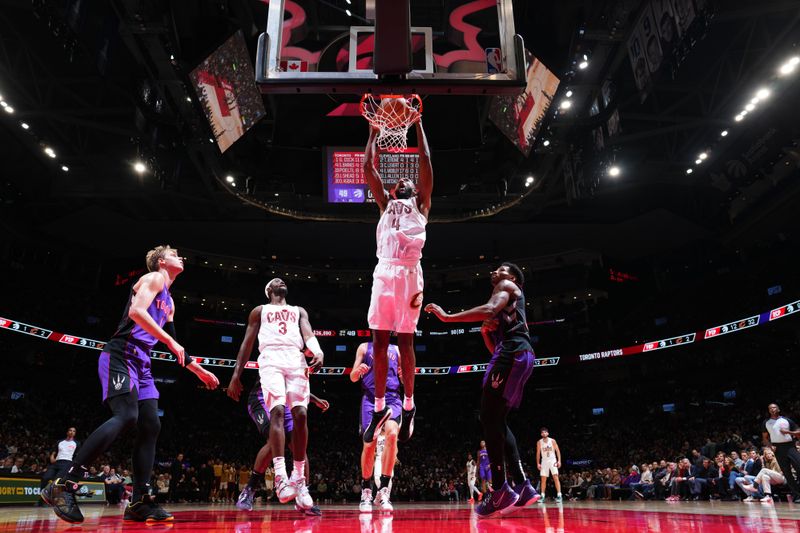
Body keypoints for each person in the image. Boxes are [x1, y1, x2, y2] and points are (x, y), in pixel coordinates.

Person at [41, 245, 219, 524]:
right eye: (174, 253)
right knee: (126, 415)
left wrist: (196, 369)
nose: (181, 256)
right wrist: (171, 341)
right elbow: (137, 312)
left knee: (151, 424)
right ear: (161, 261)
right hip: (121, 353)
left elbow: (174, 343)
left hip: (142, 362)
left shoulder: (170, 302)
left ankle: (138, 501)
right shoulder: (154, 278)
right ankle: (64, 483)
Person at [425, 262, 541, 517]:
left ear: (511, 277)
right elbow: (494, 350)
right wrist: (485, 333)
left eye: (501, 268)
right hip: (516, 355)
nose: (495, 272)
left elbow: (489, 308)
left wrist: (448, 317)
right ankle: (523, 485)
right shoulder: (508, 308)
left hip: (513, 353)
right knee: (496, 418)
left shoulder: (506, 286)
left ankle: (500, 490)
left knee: (488, 417)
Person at [361, 113, 433, 444]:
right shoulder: (385, 204)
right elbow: (368, 169)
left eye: (410, 182)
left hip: (409, 274)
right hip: (384, 270)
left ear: (415, 189)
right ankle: (378, 408)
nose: (404, 182)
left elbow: (425, 159)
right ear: (393, 188)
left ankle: (410, 403)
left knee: (405, 340)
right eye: (399, 182)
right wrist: (374, 133)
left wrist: (417, 123)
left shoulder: (421, 203)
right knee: (378, 341)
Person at [227, 278, 324, 510]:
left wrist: (318, 351)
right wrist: (235, 375)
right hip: (265, 377)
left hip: (295, 359)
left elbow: (308, 332)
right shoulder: (260, 311)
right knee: (277, 435)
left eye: (282, 280)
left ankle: (301, 487)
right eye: (274, 281)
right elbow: (246, 345)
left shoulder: (298, 310)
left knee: (300, 420)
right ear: (268, 290)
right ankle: (264, 483)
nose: (280, 280)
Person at [227, 374, 329, 516]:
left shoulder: (303, 359)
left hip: (285, 400)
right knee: (274, 441)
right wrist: (236, 376)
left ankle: (303, 495)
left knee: (298, 444)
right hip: (262, 396)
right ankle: (248, 491)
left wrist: (315, 399)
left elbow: (295, 386)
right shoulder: (275, 353)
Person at [351, 342, 401, 512]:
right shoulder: (364, 348)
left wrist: (403, 375)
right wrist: (357, 372)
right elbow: (352, 376)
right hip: (370, 399)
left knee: (392, 435)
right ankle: (366, 491)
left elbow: (406, 374)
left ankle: (384, 492)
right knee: (369, 444)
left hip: (392, 398)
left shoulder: (397, 350)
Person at [762, 403, 800, 502]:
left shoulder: (786, 420)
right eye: (770, 408)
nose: (772, 409)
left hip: (790, 446)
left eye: (774, 407)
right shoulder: (766, 422)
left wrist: (788, 432)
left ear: (778, 409)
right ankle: (797, 496)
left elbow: (798, 432)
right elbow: (765, 438)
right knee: (787, 473)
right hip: (777, 448)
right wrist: (770, 446)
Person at [40, 427, 78, 495]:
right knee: (45, 478)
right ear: (67, 432)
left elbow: (77, 455)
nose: (72, 432)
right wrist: (52, 456)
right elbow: (54, 451)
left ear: (75, 434)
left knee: (56, 481)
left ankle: (52, 499)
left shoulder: (76, 443)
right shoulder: (60, 442)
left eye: (74, 431)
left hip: (67, 463)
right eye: (70, 430)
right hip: (56, 463)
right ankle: (42, 497)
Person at [536, 428, 562, 502]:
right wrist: (538, 463)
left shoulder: (552, 441)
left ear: (548, 433)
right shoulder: (539, 442)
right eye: (542, 433)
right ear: (541, 434)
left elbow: (558, 451)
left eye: (545, 432)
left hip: (552, 460)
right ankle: (542, 496)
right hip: (544, 461)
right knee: (543, 479)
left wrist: (559, 461)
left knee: (555, 477)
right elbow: (538, 453)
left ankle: (559, 495)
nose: (544, 433)